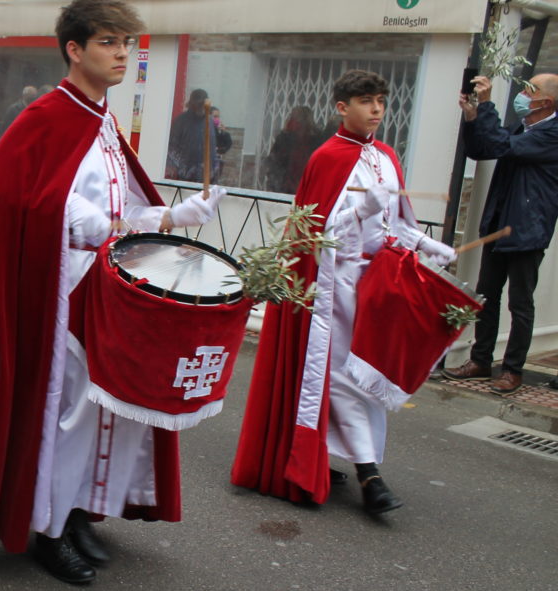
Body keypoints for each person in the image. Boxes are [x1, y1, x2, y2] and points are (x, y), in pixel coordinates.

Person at [0, 0, 227, 585]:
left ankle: (76, 511)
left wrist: (177, 215)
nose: (123, 54)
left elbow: (127, 207)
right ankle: (45, 526)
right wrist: (79, 217)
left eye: (127, 44)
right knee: (65, 413)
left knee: (103, 408)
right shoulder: (45, 116)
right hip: (58, 293)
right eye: (109, 43)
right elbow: (6, 199)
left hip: (109, 292)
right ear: (75, 49)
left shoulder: (103, 121)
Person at [231, 70, 457, 516]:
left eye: (381, 101)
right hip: (335, 290)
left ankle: (339, 455)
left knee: (370, 377)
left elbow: (396, 227)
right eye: (366, 101)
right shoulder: (328, 157)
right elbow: (317, 232)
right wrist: (361, 208)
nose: (375, 109)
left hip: (379, 289)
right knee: (343, 379)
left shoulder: (388, 157)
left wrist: (427, 245)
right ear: (341, 107)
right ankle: (369, 475)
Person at [443, 74, 558, 395]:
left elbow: (501, 144)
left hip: (528, 229)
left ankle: (512, 370)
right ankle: (481, 360)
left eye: (529, 90)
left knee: (520, 303)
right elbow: (483, 149)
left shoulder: (552, 133)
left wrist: (489, 103)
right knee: (487, 296)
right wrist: (472, 115)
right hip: (499, 224)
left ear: (545, 102)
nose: (522, 95)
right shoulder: (526, 128)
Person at [165, 88, 222, 182]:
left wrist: (213, 171)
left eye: (202, 105)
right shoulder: (181, 121)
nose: (200, 108)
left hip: (206, 177)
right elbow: (172, 148)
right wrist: (178, 169)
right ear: (192, 105)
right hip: (185, 176)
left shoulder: (210, 122)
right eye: (198, 105)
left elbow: (213, 148)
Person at [264, 105, 321, 194]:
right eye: (293, 118)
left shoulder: (315, 139)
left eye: (299, 120)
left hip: (306, 184)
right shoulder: (284, 138)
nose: (295, 123)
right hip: (286, 185)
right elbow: (274, 161)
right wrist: (274, 183)